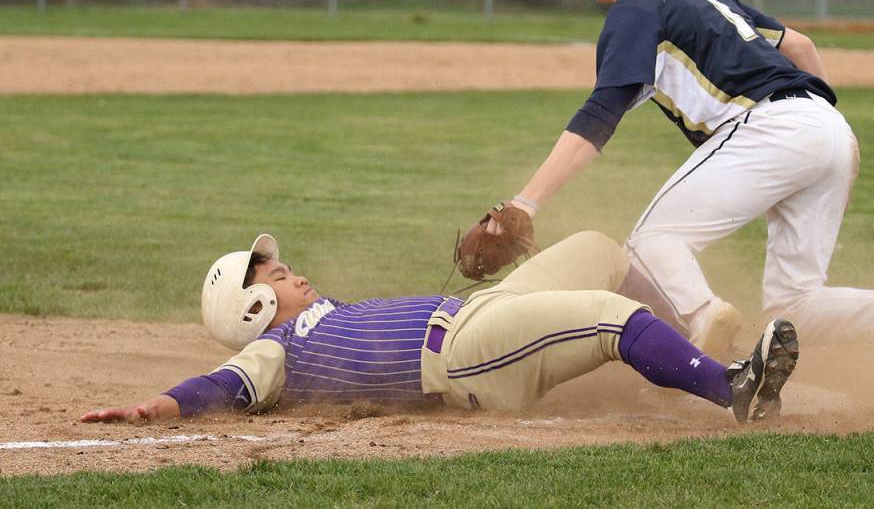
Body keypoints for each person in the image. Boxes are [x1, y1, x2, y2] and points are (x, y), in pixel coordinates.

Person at [481, 0, 874, 363]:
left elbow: (599, 116)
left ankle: (705, 316)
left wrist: (527, 202)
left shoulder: (634, 12)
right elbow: (801, 46)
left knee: (651, 243)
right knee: (795, 305)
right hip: (828, 125)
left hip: (770, 127)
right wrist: (826, 145)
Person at [80, 231, 799, 425]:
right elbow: (218, 387)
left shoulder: (325, 314)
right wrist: (153, 408)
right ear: (253, 310)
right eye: (272, 276)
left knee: (599, 250)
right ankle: (735, 390)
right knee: (609, 318)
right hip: (465, 360)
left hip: (477, 319)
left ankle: (688, 358)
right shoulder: (274, 354)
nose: (287, 269)